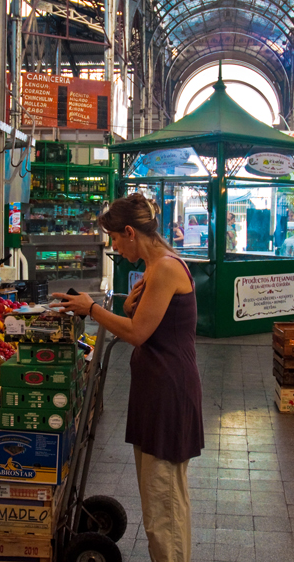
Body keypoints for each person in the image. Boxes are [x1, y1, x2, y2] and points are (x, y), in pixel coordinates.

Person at [52, 194, 203, 562]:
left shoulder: (165, 268)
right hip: (156, 390)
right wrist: (127, 306)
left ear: (131, 232)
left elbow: (137, 333)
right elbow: (147, 321)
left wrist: (90, 308)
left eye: (116, 238)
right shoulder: (156, 266)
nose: (115, 247)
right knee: (161, 500)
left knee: (163, 509)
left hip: (168, 392)